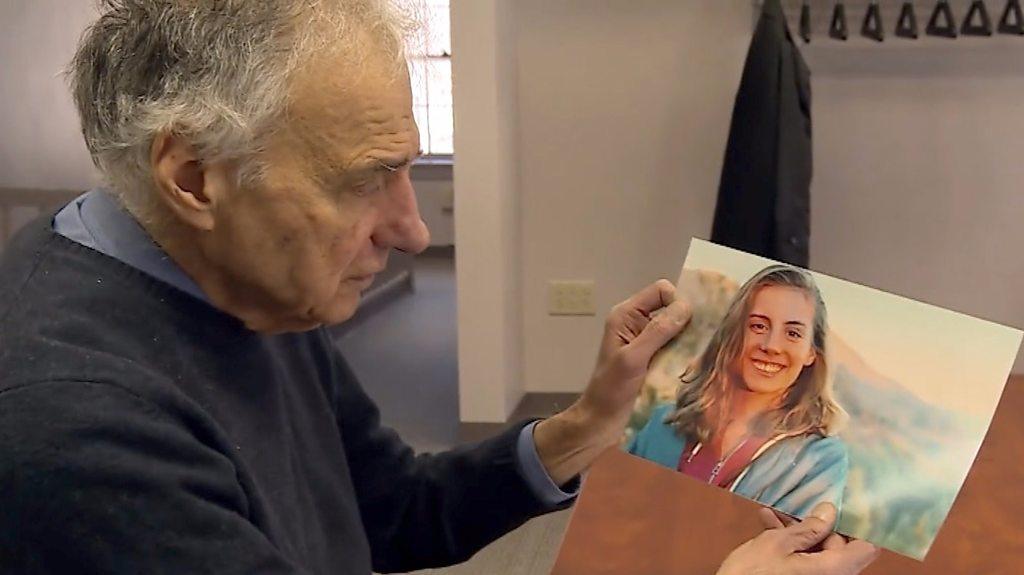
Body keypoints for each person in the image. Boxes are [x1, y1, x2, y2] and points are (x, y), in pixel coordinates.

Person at [0, 1, 875, 573]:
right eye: (363, 178)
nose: (412, 228)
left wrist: (586, 427)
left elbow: (389, 510)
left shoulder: (250, 283)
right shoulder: (70, 428)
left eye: (407, 169)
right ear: (194, 177)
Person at [629, 264, 849, 518]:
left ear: (812, 352)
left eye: (792, 333)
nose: (771, 346)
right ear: (733, 332)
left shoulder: (819, 460)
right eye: (758, 326)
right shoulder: (662, 425)